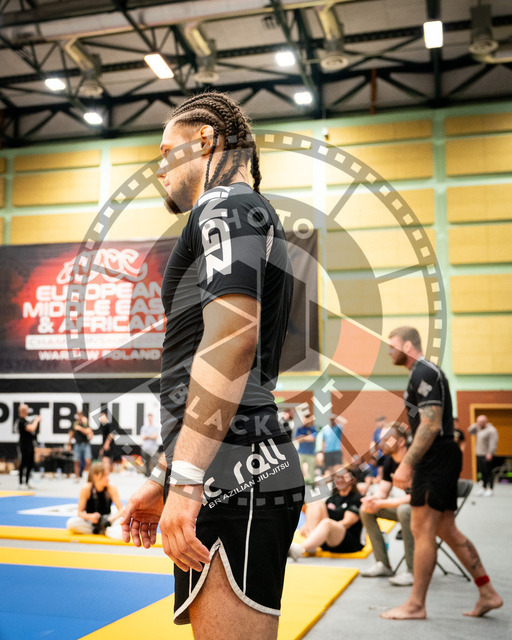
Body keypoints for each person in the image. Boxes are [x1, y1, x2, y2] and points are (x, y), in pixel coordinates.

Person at [120, 91, 304, 640]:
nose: (158, 168)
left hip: (234, 464)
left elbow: (231, 341)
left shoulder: (225, 203)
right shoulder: (237, 210)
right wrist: (165, 475)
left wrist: (186, 483)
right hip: (229, 460)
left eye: (165, 152)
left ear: (205, 140)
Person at [381, 326, 502, 620]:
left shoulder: (424, 371)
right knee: (446, 528)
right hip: (441, 455)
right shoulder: (423, 372)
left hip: (435, 456)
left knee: (421, 528)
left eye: (392, 345)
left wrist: (407, 463)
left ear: (408, 346)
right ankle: (488, 592)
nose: (389, 351)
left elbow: (431, 424)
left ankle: (415, 605)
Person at [360, 422, 414, 586]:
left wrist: (381, 503)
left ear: (401, 441)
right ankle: (383, 564)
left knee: (404, 510)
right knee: (366, 510)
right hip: (409, 507)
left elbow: (415, 498)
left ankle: (413, 571)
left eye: (386, 439)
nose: (380, 443)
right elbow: (382, 492)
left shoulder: (414, 458)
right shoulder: (389, 460)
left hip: (427, 509)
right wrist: (372, 500)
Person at [288, 468, 363, 559]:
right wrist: (307, 525)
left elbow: (347, 523)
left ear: (353, 480)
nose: (339, 480)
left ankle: (300, 549)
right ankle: (311, 545)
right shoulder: (333, 498)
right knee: (316, 503)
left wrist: (325, 527)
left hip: (347, 541)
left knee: (326, 522)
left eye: (343, 477)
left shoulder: (356, 498)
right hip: (328, 539)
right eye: (337, 477)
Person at [66, 461, 123, 539]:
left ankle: (104, 529)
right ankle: (103, 531)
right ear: (95, 476)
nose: (108, 478)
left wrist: (109, 520)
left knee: (122, 521)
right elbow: (80, 513)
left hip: (108, 519)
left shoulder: (111, 487)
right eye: (105, 475)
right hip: (91, 521)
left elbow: (121, 510)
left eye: (108, 475)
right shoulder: (86, 488)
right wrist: (90, 517)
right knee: (71, 523)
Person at [468, 415, 498, 497]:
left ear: (485, 422)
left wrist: (490, 453)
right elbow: (470, 431)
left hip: (487, 454)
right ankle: (484, 487)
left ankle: (490, 489)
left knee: (488, 472)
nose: (478, 423)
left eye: (480, 422)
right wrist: (476, 424)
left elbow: (493, 443)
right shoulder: (479, 429)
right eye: (477, 421)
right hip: (479, 453)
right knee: (482, 472)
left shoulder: (491, 430)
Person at [16, 404, 41, 489]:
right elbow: (31, 428)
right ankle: (21, 483)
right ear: (23, 411)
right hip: (24, 444)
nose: (27, 411)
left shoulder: (27, 419)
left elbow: (31, 418)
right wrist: (36, 421)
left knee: (30, 463)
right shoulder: (21, 421)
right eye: (26, 410)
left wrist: (36, 418)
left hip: (30, 444)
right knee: (23, 462)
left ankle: (27, 482)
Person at [68, 411, 93, 481]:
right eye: (78, 415)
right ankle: (77, 477)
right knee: (76, 461)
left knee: (88, 461)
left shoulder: (85, 424)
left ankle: (91, 477)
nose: (79, 417)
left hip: (86, 444)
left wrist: (80, 428)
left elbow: (88, 432)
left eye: (80, 416)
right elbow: (71, 434)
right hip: (77, 444)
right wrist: (69, 444)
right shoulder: (74, 424)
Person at [294, 411, 317, 484]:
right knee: (299, 470)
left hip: (311, 453)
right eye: (306, 417)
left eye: (308, 417)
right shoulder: (300, 429)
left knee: (311, 471)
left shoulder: (314, 428)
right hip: (301, 452)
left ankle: (312, 484)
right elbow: (298, 439)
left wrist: (302, 437)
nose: (307, 419)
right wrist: (306, 438)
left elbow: (312, 438)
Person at [140, 413, 160, 477]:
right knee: (146, 462)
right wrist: (151, 436)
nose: (150, 419)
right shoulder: (144, 427)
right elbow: (143, 437)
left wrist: (147, 436)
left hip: (153, 448)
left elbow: (155, 437)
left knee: (154, 462)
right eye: (149, 418)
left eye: (151, 418)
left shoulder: (155, 427)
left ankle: (154, 475)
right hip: (145, 448)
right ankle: (147, 474)